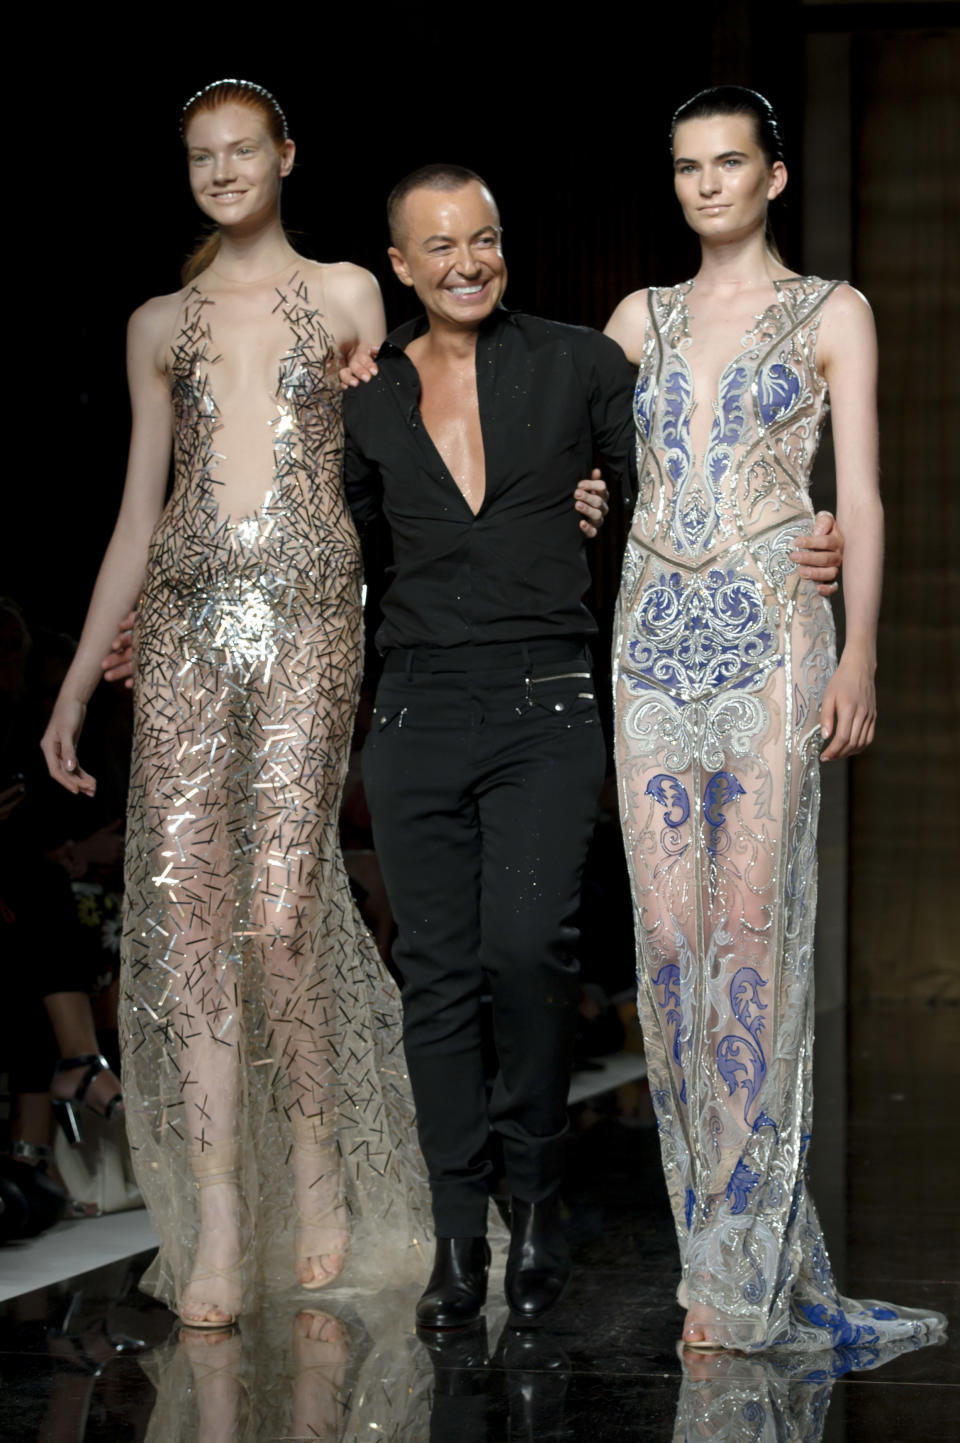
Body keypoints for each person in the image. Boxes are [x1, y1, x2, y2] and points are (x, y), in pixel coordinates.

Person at [339, 163, 844, 1332]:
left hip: (544, 710)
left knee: (524, 958)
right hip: (415, 717)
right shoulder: (364, 403)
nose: (468, 260)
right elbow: (350, 557)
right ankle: (459, 1241)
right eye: (440, 245)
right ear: (401, 266)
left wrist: (791, 551)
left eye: (486, 237)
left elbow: (669, 501)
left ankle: (539, 1203)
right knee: (439, 980)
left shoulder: (579, 362)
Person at [41, 79, 431, 1328]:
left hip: (315, 610)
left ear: (285, 156)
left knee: (278, 912)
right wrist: (72, 680)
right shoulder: (160, 322)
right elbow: (136, 513)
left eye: (241, 151)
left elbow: (413, 453)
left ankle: (317, 1173)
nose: (221, 170)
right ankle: (213, 1222)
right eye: (202, 156)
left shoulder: (351, 295)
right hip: (191, 620)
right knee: (189, 917)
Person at [604, 85, 945, 1351]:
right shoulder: (636, 320)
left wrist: (860, 653)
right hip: (648, 646)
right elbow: (577, 447)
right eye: (688, 165)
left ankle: (732, 1279)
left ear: (774, 178)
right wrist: (589, 499)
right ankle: (723, 1243)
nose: (707, 184)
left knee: (751, 933)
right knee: (669, 947)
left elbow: (858, 492)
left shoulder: (831, 312)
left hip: (773, 645)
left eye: (729, 162)